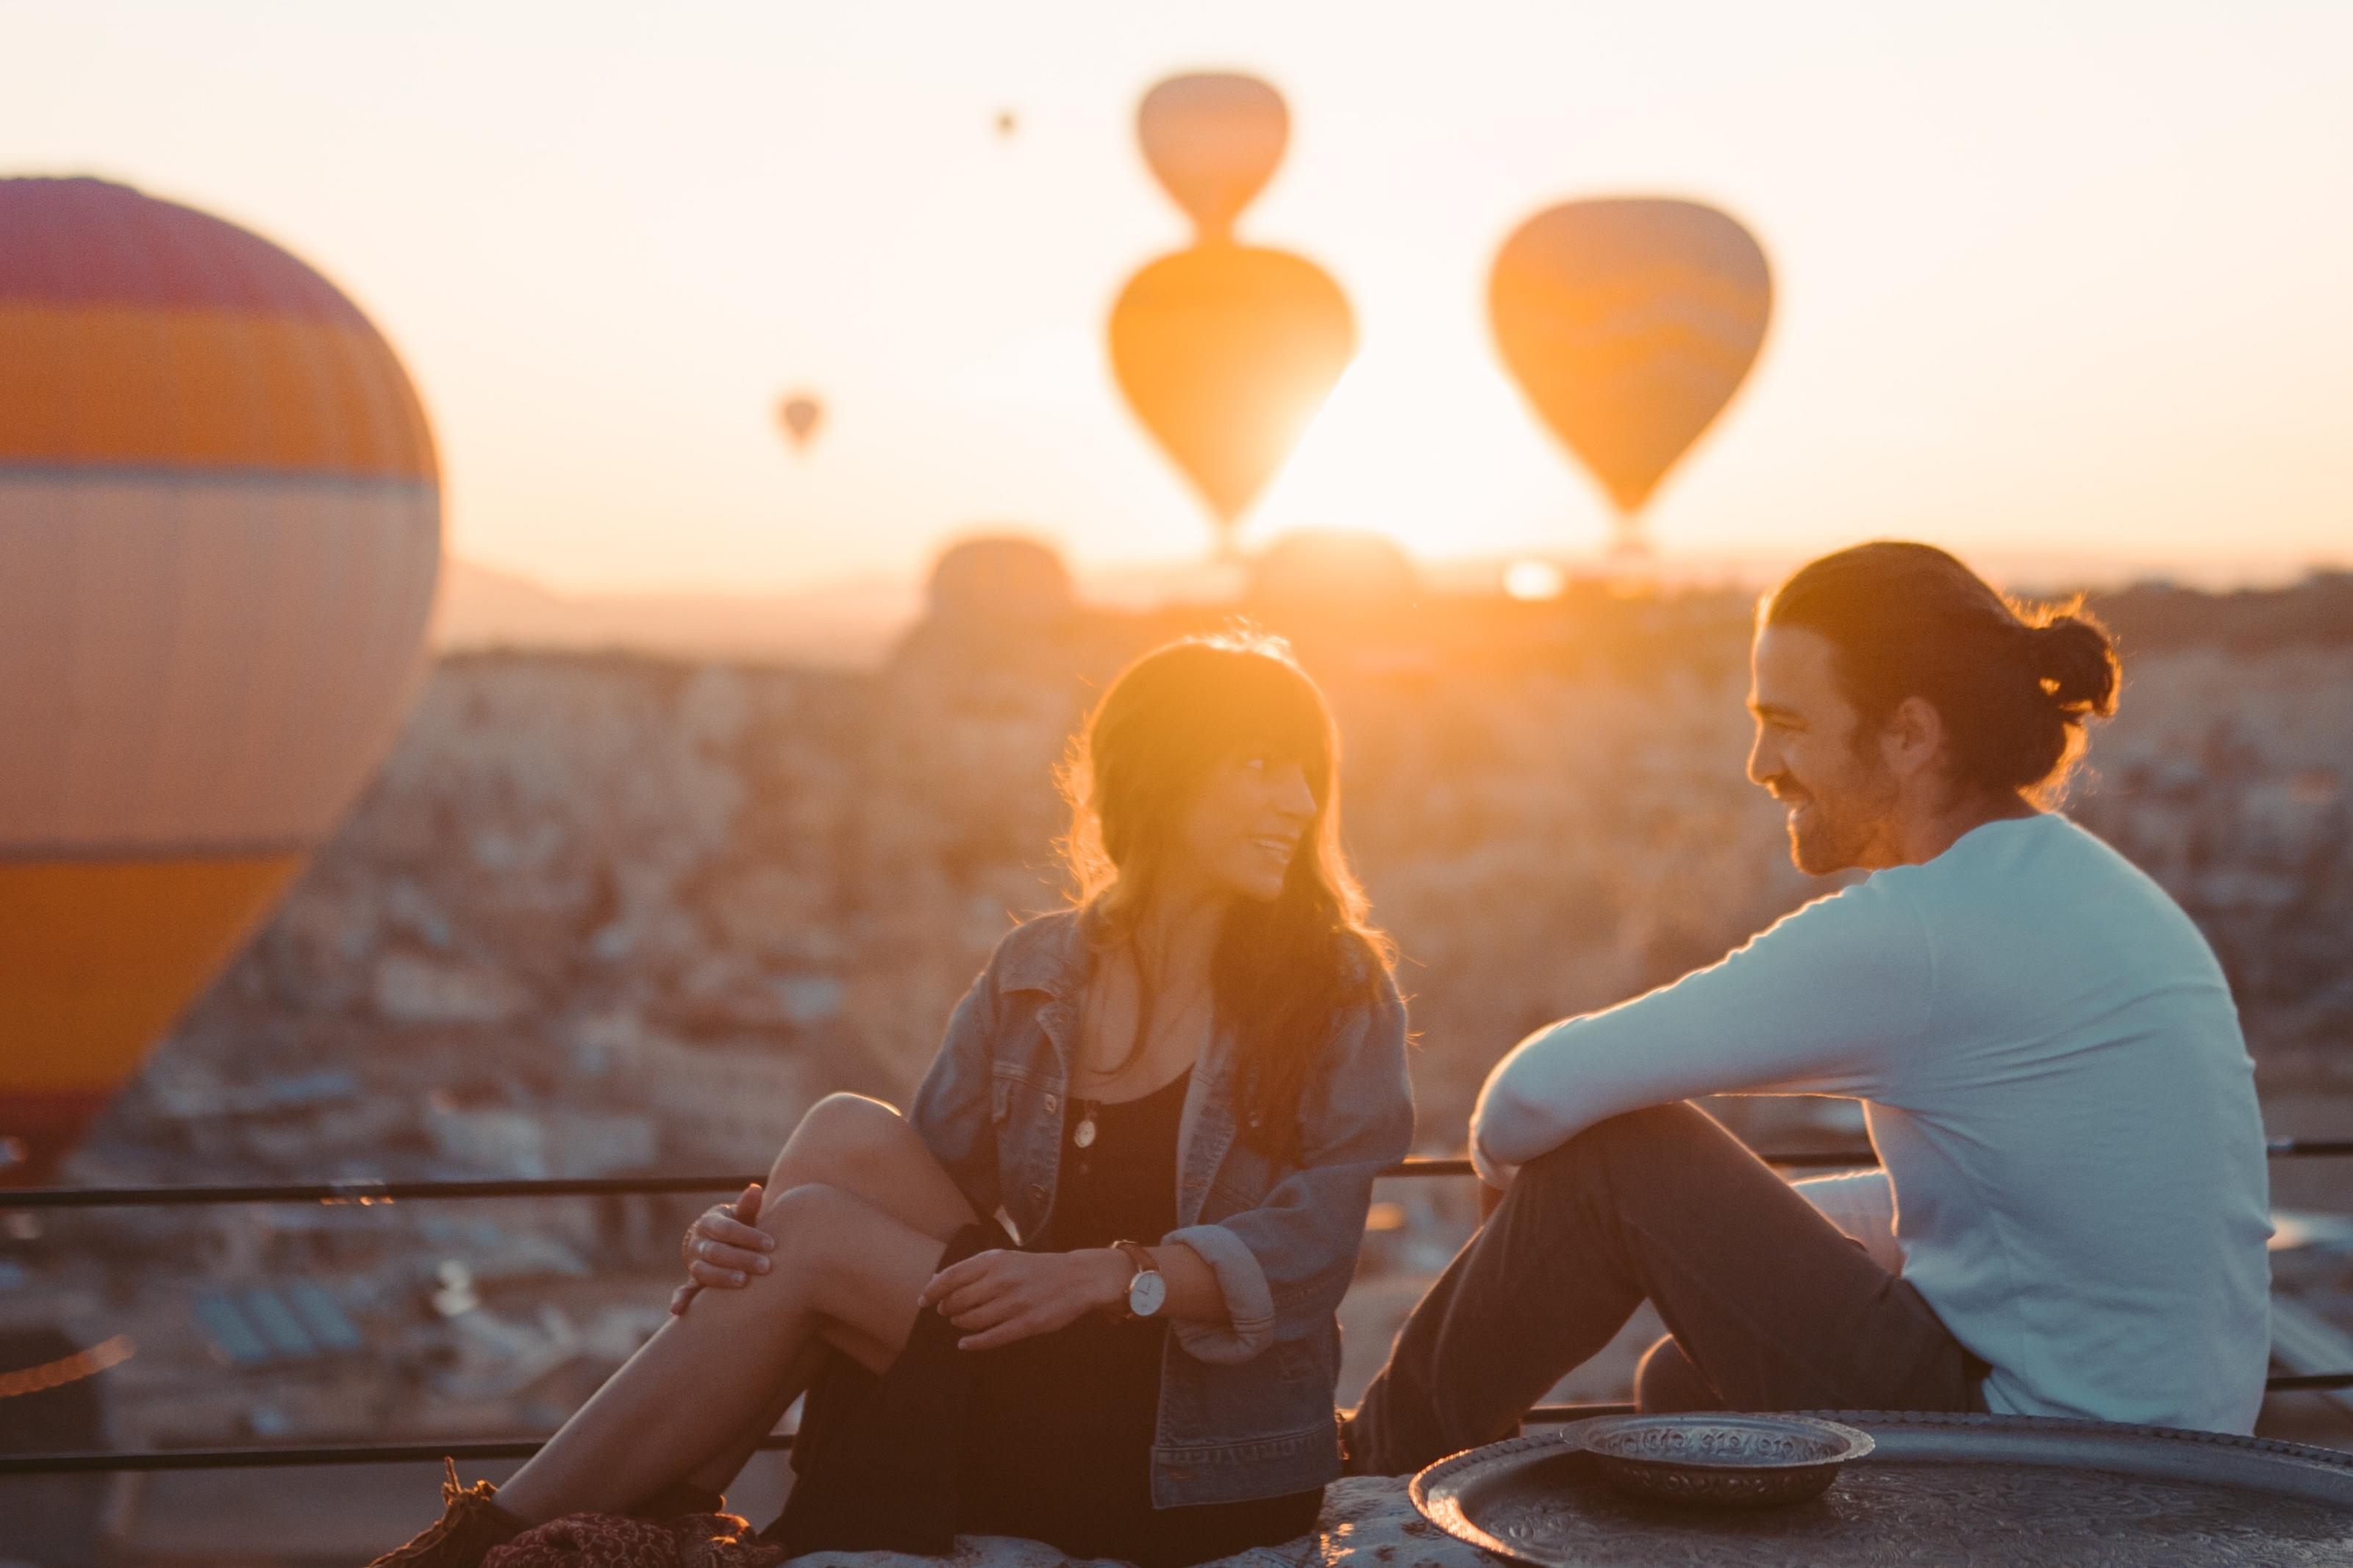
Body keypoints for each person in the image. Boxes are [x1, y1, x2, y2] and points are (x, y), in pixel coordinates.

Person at [368, 631, 1415, 1568]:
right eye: (1262, 765)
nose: (1298, 803)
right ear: (1163, 774)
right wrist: (740, 1241)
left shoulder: (1334, 988)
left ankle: (480, 1551)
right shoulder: (1041, 969)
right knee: (834, 1140)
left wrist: (1111, 1275)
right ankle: (639, 1519)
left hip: (1197, 1450)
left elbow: (1317, 1248)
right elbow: (909, 1181)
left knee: (815, 1231)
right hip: (1037, 1377)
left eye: (1309, 775)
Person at [1344, 540, 2272, 1476]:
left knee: (1619, 1156)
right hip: (2167, 1460)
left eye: (1785, 724)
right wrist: (1713, 1232)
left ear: (1910, 735)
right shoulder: (2089, 891)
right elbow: (2024, 1211)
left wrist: (1526, 1198)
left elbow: (1532, 1095)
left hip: (2038, 1462)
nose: (1758, 765)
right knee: (1684, 1388)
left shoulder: (1921, 930)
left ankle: (1373, 1464)